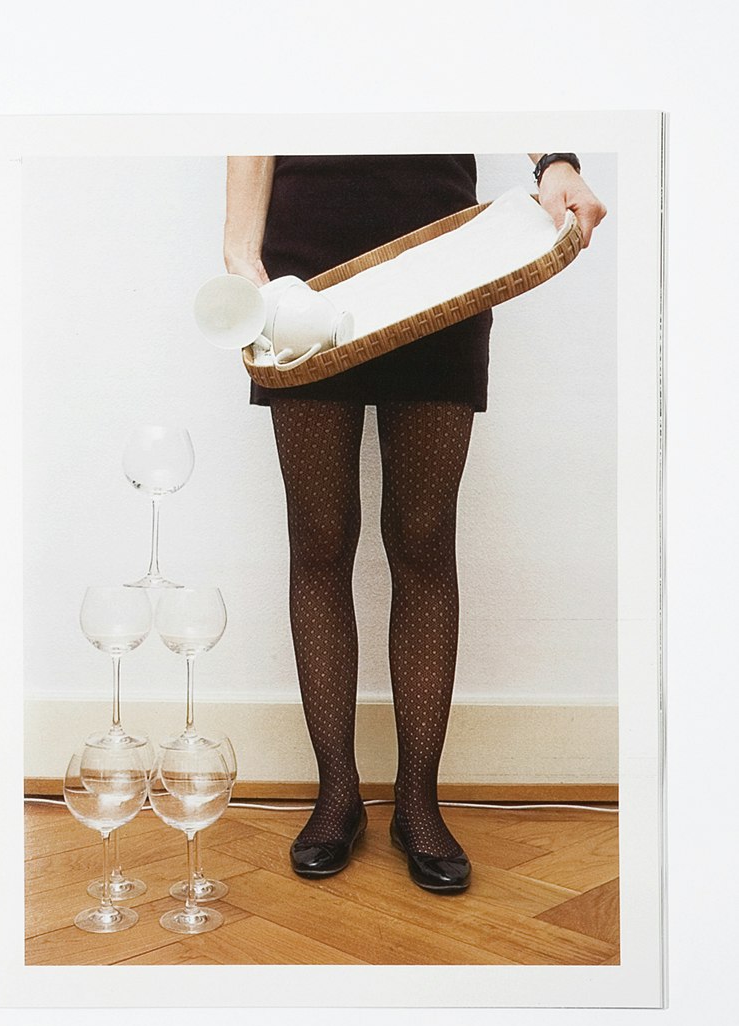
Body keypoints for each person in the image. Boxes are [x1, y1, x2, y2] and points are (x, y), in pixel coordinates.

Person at [222, 153, 606, 893]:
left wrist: (554, 160)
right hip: (309, 265)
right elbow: (250, 107)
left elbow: (503, 75)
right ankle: (336, 795)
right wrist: (242, 255)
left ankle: (418, 805)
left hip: (444, 257)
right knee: (320, 543)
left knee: (425, 543)